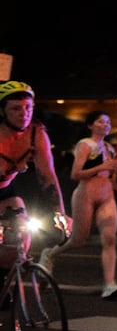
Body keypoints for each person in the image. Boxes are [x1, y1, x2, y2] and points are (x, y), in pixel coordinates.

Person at [38, 111, 117, 298]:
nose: (105, 125)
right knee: (79, 239)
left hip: (107, 196)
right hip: (86, 194)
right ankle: (50, 254)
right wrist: (101, 166)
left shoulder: (109, 148)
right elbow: (75, 174)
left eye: (108, 122)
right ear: (90, 125)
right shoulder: (85, 145)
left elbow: (109, 175)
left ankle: (110, 284)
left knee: (109, 238)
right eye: (100, 121)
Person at [0, 81, 69, 267]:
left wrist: (59, 213)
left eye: (28, 107)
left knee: (21, 241)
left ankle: (11, 280)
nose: (24, 113)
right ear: (2, 111)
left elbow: (48, 177)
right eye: (16, 108)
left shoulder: (36, 134)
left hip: (5, 191)